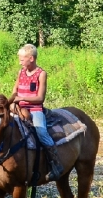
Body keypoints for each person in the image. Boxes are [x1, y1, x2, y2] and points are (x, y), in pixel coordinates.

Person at [7, 44, 64, 181]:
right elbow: (15, 91)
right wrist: (8, 102)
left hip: (35, 109)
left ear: (31, 58)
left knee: (41, 132)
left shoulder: (41, 74)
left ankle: (55, 164)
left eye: (22, 59)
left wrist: (23, 98)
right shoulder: (21, 72)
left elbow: (40, 98)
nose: (20, 62)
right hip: (18, 107)